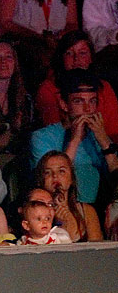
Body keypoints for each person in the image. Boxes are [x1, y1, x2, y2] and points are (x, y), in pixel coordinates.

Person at [30, 69, 118, 204]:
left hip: (96, 209)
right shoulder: (42, 137)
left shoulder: (99, 138)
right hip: (58, 207)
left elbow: (116, 179)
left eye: (92, 101)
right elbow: (50, 182)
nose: (87, 109)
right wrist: (75, 140)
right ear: (64, 104)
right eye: (79, 101)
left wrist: (105, 141)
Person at [34, 31, 118, 141]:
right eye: (69, 53)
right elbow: (54, 134)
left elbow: (114, 132)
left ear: (91, 58)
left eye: (82, 53)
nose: (76, 59)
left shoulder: (104, 86)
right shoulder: (48, 88)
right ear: (61, 58)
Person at [35, 150, 104, 241]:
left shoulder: (87, 211)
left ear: (71, 178)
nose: (55, 176)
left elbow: (97, 251)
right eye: (48, 172)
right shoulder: (35, 212)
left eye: (61, 171)